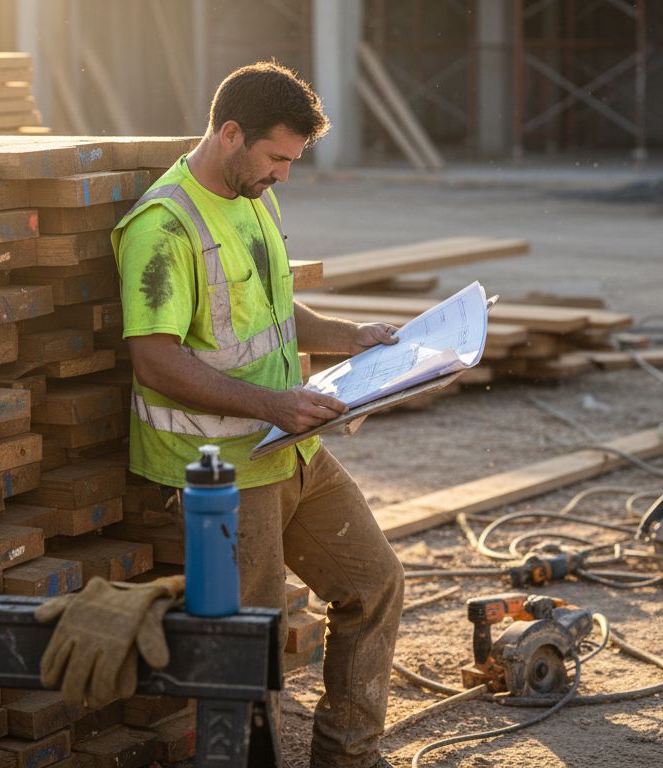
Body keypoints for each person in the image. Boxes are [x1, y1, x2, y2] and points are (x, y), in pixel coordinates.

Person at [112, 61, 404, 768]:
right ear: (231, 133)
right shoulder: (163, 225)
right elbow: (154, 359)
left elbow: (274, 307)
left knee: (375, 582)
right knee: (254, 638)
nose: (285, 175)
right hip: (221, 475)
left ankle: (348, 758)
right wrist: (274, 403)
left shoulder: (253, 195)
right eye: (278, 157)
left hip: (290, 447)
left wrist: (347, 336)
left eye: (293, 160)